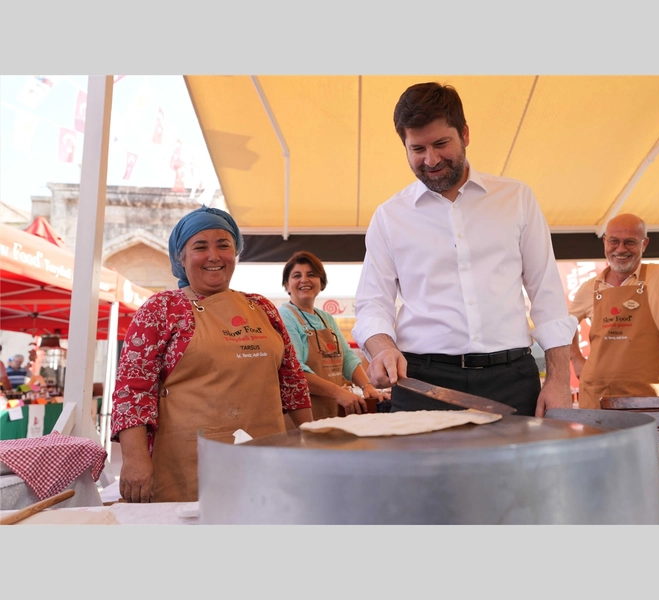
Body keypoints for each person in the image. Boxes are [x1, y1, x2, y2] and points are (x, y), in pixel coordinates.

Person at [352, 81, 577, 417]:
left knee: (518, 472)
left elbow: (547, 293)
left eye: (441, 143)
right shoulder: (389, 216)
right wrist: (382, 346)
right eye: (417, 149)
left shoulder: (516, 198)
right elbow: (372, 302)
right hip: (421, 383)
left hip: (512, 379)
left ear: (465, 134)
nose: (430, 160)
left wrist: (559, 379)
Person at [110, 206, 312, 503]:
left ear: (236, 252)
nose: (214, 256)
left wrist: (311, 437)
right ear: (181, 258)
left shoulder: (263, 307)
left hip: (266, 458)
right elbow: (132, 391)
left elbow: (293, 382)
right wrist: (134, 460)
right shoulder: (162, 309)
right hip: (191, 466)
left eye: (224, 245)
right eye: (200, 247)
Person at [568, 214, 659, 418]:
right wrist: (576, 359)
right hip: (595, 396)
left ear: (644, 244)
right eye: (614, 241)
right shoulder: (589, 287)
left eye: (630, 242)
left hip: (649, 397)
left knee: (646, 450)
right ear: (605, 242)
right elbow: (565, 325)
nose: (620, 249)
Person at [279, 251, 389, 423]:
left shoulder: (325, 317)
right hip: (303, 414)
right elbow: (295, 371)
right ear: (286, 284)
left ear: (321, 282)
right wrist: (339, 393)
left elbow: (347, 359)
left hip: (331, 409)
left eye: (311, 274)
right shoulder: (285, 316)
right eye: (296, 276)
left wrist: (368, 386)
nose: (304, 280)